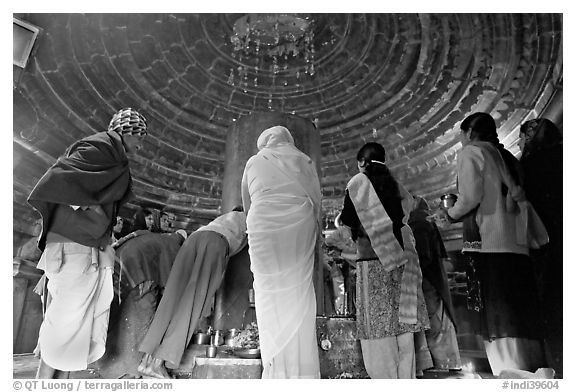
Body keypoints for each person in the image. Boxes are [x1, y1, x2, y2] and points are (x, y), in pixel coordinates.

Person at [27, 107, 148, 379]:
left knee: (78, 322)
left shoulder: (112, 154)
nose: (141, 144)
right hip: (75, 245)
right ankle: (42, 383)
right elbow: (59, 178)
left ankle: (55, 381)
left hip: (86, 246)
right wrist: (90, 212)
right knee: (66, 320)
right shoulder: (101, 146)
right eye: (141, 137)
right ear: (128, 131)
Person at [433, 112, 548, 376]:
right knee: (519, 311)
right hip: (517, 245)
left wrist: (449, 214)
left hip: (488, 245)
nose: (462, 141)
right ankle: (535, 373)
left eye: (462, 135)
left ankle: (508, 375)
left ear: (469, 133)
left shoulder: (472, 152)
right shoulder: (504, 154)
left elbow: (470, 196)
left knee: (494, 313)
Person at [337, 142, 429, 379]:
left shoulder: (358, 183)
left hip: (372, 260)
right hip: (402, 259)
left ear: (361, 162)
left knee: (377, 325)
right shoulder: (395, 185)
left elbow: (347, 218)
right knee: (402, 325)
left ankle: (384, 379)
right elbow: (404, 214)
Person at [241, 125, 321, 379]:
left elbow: (247, 204)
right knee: (299, 293)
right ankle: (302, 370)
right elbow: (316, 201)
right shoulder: (303, 160)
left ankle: (276, 369)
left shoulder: (254, 161)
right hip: (300, 225)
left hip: (262, 227)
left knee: (268, 295)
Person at [137, 206, 247, 379]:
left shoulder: (224, 219)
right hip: (214, 244)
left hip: (193, 239)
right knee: (191, 304)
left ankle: (146, 362)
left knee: (171, 301)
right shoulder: (250, 216)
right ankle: (157, 365)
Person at [519, 118, 563, 375]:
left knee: (551, 303)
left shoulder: (531, 164)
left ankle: (557, 366)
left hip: (545, 239)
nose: (521, 142)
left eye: (524, 137)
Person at [408, 196, 461, 373]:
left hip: (427, 279)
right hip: (434, 278)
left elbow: (424, 254)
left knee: (433, 322)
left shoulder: (418, 222)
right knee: (439, 319)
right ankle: (448, 362)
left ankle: (440, 362)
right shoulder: (425, 220)